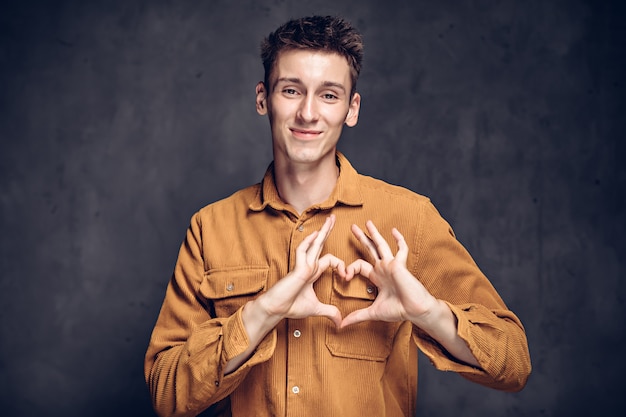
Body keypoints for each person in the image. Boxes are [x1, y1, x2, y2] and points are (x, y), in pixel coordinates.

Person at [144, 15, 531, 417]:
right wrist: (262, 313)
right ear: (263, 99)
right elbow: (166, 394)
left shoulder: (408, 218)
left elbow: (514, 361)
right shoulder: (211, 228)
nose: (308, 113)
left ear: (352, 108)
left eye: (329, 95)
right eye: (291, 90)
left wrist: (428, 314)